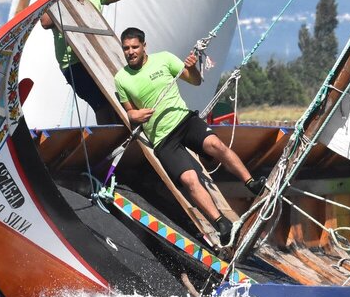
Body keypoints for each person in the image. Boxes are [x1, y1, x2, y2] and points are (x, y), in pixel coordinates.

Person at [113, 27, 265, 247]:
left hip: (185, 121)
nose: (130, 52)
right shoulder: (121, 79)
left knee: (215, 144)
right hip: (163, 140)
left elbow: (195, 81)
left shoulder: (164, 59)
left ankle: (251, 182)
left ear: (144, 46)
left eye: (134, 47)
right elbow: (129, 113)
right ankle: (221, 223)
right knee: (189, 179)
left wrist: (192, 69)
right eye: (126, 48)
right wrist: (135, 114)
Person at [39, 0, 146, 119]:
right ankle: (111, 142)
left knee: (120, 100)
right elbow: (45, 21)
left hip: (98, 55)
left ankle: (128, 138)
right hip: (74, 63)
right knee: (101, 105)